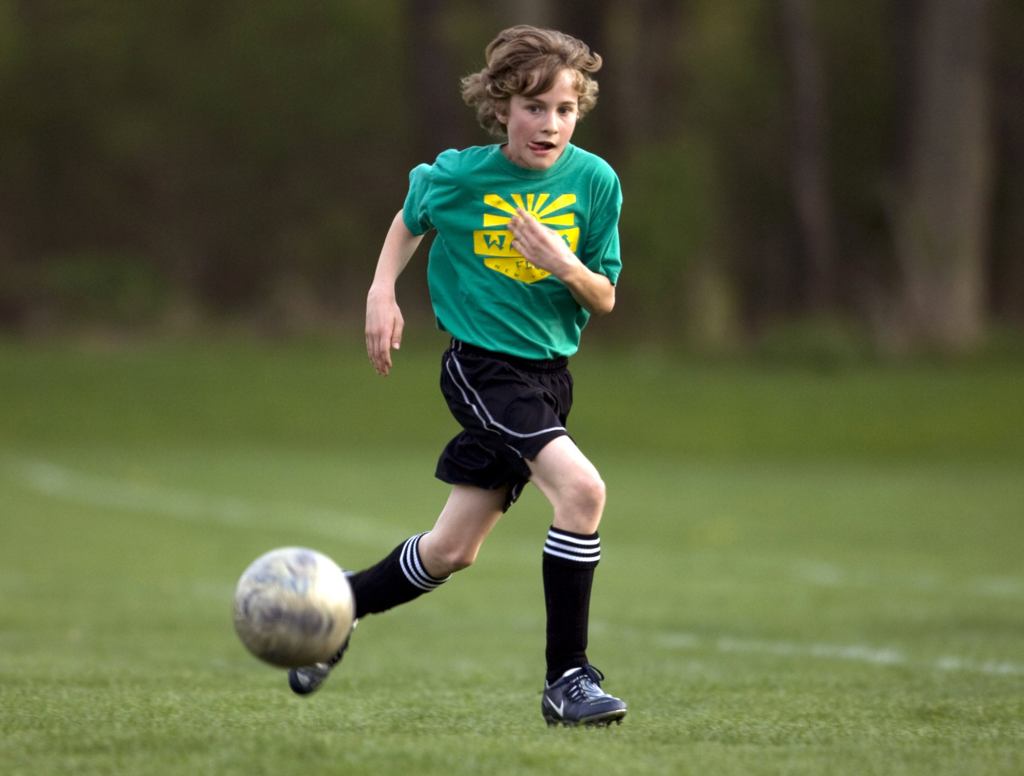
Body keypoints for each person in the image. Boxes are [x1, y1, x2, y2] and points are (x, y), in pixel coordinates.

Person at [289, 24, 627, 727]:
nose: (549, 124)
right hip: (482, 367)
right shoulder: (465, 176)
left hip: (548, 376)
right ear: (502, 106)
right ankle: (568, 678)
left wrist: (562, 262)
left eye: (564, 109)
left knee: (451, 551)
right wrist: (382, 291)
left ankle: (340, 606)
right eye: (534, 107)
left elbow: (605, 296)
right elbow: (411, 217)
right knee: (583, 490)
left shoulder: (596, 183)